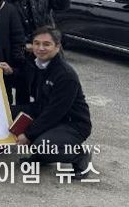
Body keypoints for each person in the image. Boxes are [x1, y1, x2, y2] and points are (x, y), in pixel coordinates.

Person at [12, 26, 92, 180]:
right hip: (45, 113)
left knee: (43, 145)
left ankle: (79, 156)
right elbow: (23, 84)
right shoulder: (36, 64)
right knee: (8, 113)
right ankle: (42, 156)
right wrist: (10, 72)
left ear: (57, 46)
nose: (40, 48)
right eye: (36, 43)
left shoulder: (65, 75)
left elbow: (54, 113)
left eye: (46, 44)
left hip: (72, 124)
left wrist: (28, 134)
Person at [5, 0, 70, 104]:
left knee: (47, 88)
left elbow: (62, 6)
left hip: (45, 48)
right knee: (22, 89)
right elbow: (7, 25)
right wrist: (23, 45)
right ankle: (23, 117)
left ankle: (46, 116)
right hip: (22, 51)